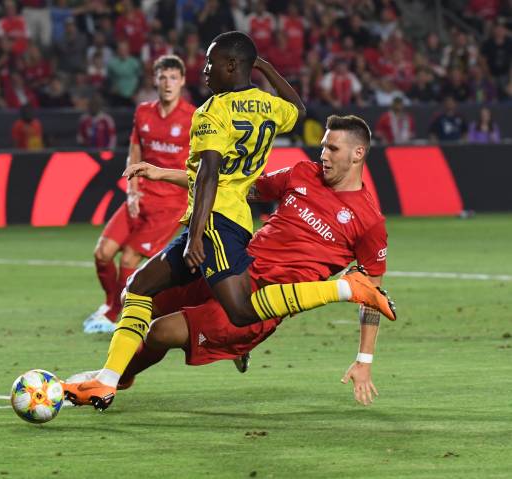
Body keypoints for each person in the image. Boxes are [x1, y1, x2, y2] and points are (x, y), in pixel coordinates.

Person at [65, 33, 394, 412]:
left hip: (238, 261)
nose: (322, 154)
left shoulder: (368, 220)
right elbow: (245, 175)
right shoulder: (296, 163)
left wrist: (364, 360)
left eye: (331, 149)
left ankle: (114, 379)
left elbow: (211, 174)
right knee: (136, 290)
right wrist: (165, 173)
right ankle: (109, 378)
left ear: (358, 154)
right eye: (322, 146)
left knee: (183, 325)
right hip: (238, 255)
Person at [83, 55, 195, 333]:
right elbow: (135, 153)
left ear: (182, 81)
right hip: (140, 197)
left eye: (173, 77)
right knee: (102, 253)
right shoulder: (144, 112)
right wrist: (131, 191)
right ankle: (110, 307)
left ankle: (122, 317)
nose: (167, 83)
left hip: (170, 203)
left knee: (130, 260)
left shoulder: (194, 118)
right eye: (162, 77)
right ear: (154, 80)